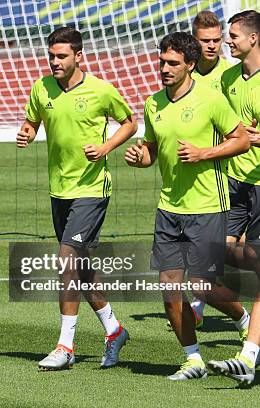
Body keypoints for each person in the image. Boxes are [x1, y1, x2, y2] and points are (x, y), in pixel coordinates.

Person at [124, 32, 249, 381]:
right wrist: (140, 156)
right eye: (162, 61)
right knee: (168, 287)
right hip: (169, 207)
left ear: (190, 65)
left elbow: (240, 140)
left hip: (208, 205)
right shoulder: (153, 104)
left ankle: (243, 319)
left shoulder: (211, 100)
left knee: (201, 285)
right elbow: (150, 148)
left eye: (172, 63)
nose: (164, 68)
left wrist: (203, 154)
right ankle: (192, 359)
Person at [17, 26, 136, 370]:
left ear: (79, 56)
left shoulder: (101, 90)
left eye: (61, 56)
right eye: (51, 56)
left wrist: (105, 147)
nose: (54, 62)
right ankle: (114, 329)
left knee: (67, 259)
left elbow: (129, 123)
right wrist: (27, 133)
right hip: (59, 189)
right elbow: (32, 121)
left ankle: (65, 346)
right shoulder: (41, 87)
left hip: (91, 188)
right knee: (81, 271)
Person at [187, 10, 251, 337]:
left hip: (232, 170)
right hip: (204, 172)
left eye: (217, 41)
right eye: (206, 41)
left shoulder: (232, 73)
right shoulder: (185, 75)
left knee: (219, 247)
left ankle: (203, 305)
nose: (213, 47)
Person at [207, 10, 260, 385]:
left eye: (234, 36)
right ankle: (246, 324)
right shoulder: (227, 78)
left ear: (254, 39)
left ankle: (249, 354)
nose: (228, 41)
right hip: (232, 184)